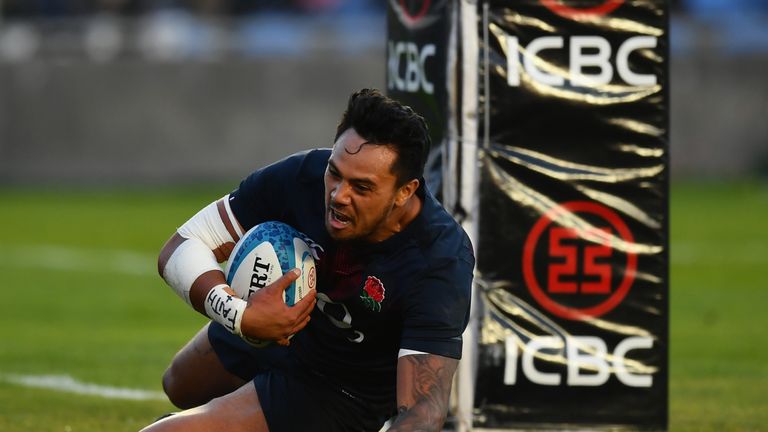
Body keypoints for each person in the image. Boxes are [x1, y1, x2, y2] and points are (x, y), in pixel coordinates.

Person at [141, 88, 475, 432]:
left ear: (405, 191)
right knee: (179, 383)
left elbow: (424, 412)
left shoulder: (440, 260)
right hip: (279, 329)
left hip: (339, 387)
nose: (338, 195)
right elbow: (181, 245)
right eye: (336, 173)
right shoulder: (304, 176)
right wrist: (243, 317)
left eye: (361, 187)